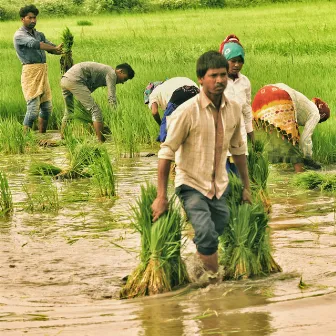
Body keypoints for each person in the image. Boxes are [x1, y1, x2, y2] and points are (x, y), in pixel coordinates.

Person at [151, 51, 252, 282]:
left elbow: (238, 150)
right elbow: (166, 152)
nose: (219, 81)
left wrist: (246, 187)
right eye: (213, 75)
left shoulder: (234, 109)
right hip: (190, 184)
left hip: (219, 184)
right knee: (206, 233)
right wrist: (161, 196)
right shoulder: (186, 112)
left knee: (220, 224)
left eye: (223, 75)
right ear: (200, 79)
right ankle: (213, 286)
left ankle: (196, 267)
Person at [252, 83, 331, 172]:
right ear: (321, 115)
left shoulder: (305, 104)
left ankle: (258, 173)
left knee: (264, 141)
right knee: (293, 143)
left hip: (261, 95)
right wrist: (308, 158)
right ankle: (300, 176)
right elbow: (305, 138)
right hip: (281, 96)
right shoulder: (315, 113)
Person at [13, 4, 63, 133]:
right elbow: (35, 44)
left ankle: (42, 136)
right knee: (33, 109)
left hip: (42, 71)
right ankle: (24, 137)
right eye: (30, 18)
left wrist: (61, 50)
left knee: (47, 108)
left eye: (35, 18)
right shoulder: (19, 35)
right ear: (22, 19)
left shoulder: (39, 34)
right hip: (30, 73)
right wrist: (54, 48)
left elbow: (50, 46)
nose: (33, 20)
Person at [60, 61, 135, 142]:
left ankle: (64, 140)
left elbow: (88, 89)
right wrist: (116, 117)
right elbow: (111, 97)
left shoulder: (104, 72)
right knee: (96, 111)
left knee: (69, 111)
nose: (123, 82)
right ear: (120, 71)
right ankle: (101, 142)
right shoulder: (112, 74)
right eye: (125, 79)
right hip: (75, 80)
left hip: (65, 79)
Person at [219, 34, 255, 174]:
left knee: (238, 180)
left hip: (239, 140)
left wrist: (253, 139)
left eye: (240, 61)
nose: (237, 65)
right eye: (233, 61)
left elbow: (247, 111)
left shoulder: (245, 82)